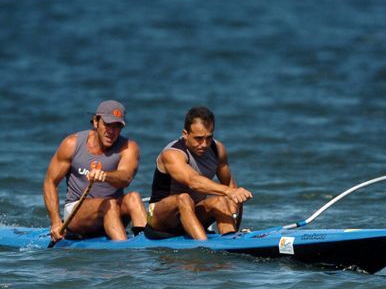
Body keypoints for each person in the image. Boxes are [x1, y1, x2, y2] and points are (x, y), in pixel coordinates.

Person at [43, 100, 147, 243]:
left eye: (117, 126)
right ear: (96, 122)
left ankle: (146, 246)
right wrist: (55, 222)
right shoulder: (72, 144)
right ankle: (125, 253)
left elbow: (126, 178)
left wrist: (105, 176)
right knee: (108, 204)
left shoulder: (129, 147)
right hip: (77, 213)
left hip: (113, 209)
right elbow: (50, 182)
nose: (111, 131)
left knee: (134, 197)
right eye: (107, 124)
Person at [146, 106, 252, 240]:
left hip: (193, 215)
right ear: (185, 134)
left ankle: (232, 241)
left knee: (220, 201)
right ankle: (204, 246)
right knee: (183, 198)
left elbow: (230, 186)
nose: (204, 144)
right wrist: (229, 191)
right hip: (160, 220)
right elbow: (193, 181)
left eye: (208, 138)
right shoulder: (172, 154)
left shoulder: (218, 149)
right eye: (198, 138)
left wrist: (234, 206)